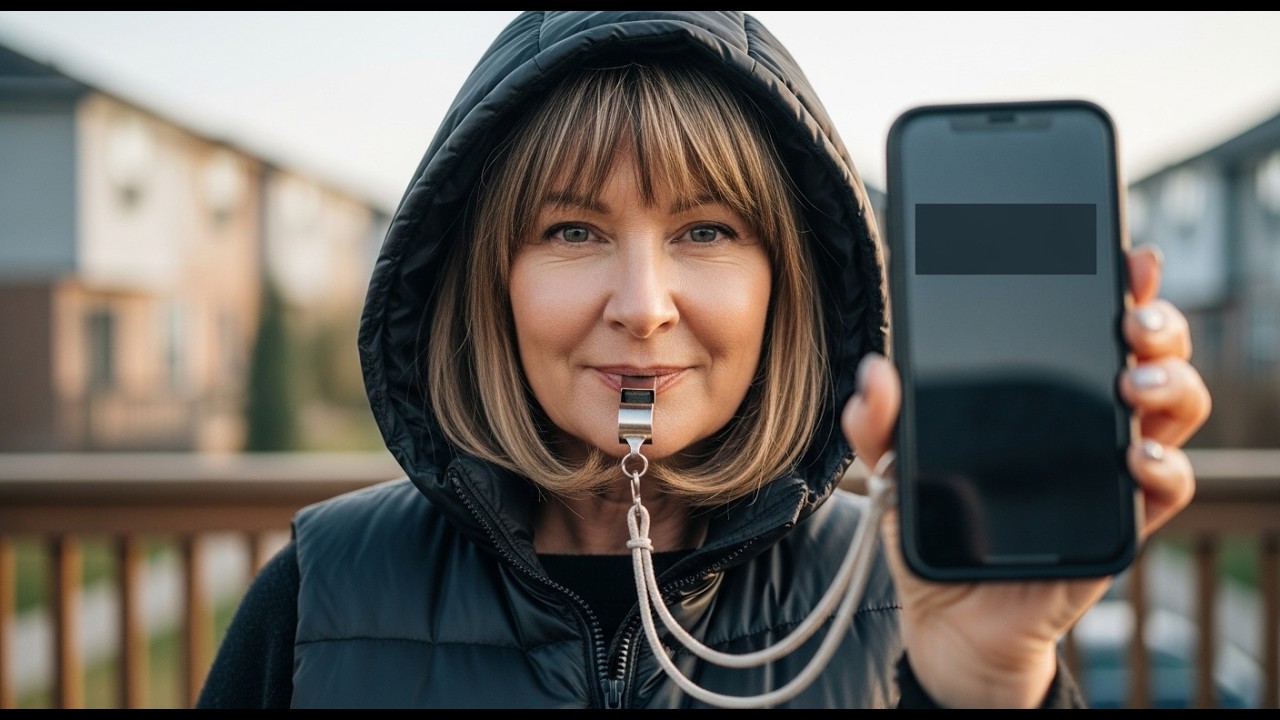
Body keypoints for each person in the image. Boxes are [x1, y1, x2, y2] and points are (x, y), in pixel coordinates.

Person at [196, 11, 1211, 709]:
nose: (641, 308)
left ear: (790, 282)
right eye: (571, 232)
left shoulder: (909, 598)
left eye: (707, 231)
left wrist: (989, 685)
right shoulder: (316, 598)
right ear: (485, 278)